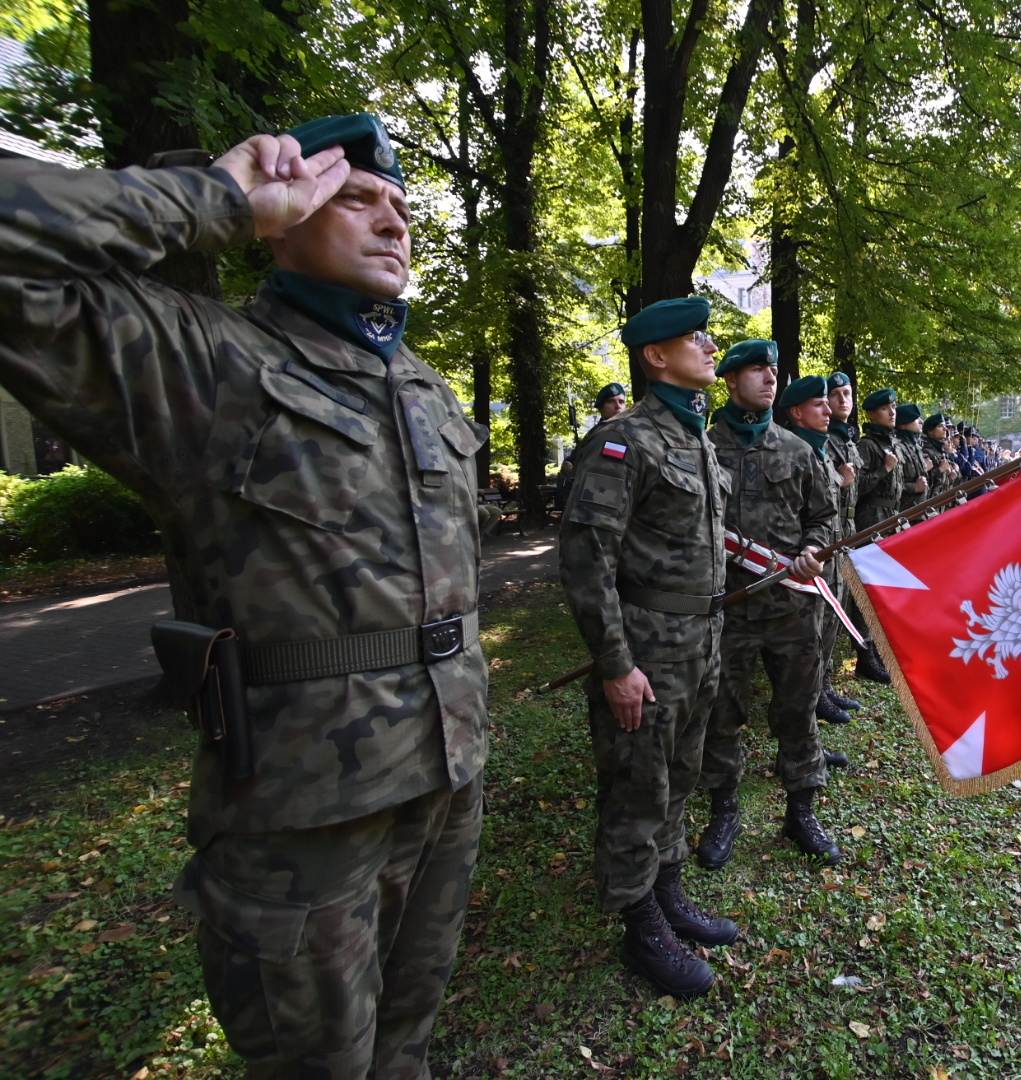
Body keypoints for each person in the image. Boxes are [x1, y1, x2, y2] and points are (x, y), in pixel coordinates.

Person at [0, 115, 488, 1075]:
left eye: (399, 204)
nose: (393, 221)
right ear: (284, 215)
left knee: (408, 1040)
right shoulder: (202, 363)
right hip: (300, 813)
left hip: (446, 772)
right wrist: (215, 199)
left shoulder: (423, 386)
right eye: (356, 197)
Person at [559, 295, 736, 1000]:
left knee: (680, 776)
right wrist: (615, 664)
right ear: (656, 355)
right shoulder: (625, 440)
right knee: (637, 787)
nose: (711, 347)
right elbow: (585, 557)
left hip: (701, 641)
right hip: (647, 648)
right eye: (698, 339)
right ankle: (640, 926)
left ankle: (667, 896)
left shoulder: (696, 435)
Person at [695, 350, 842, 873]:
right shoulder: (703, 448)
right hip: (728, 611)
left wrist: (813, 548)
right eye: (758, 370)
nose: (770, 378)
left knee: (797, 713)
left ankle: (800, 812)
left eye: (774, 371)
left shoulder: (799, 450)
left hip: (791, 610)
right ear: (730, 379)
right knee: (722, 716)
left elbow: (824, 517)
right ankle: (724, 811)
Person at [816, 372, 862, 724]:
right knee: (826, 607)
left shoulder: (848, 440)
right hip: (829, 529)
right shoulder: (822, 440)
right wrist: (840, 480)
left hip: (848, 528)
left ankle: (826, 682)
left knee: (838, 605)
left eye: (848, 394)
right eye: (837, 395)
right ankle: (816, 688)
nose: (844, 400)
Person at [851, 389, 902, 682]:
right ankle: (865, 654)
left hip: (888, 520)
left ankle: (880, 648)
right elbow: (857, 488)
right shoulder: (868, 446)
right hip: (870, 520)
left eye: (893, 407)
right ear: (871, 414)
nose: (892, 412)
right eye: (885, 408)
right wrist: (884, 469)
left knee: (883, 587)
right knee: (867, 589)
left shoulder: (889, 442)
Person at [893, 403, 931, 510]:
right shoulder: (897, 447)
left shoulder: (916, 448)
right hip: (903, 512)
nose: (921, 421)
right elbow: (889, 485)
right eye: (915, 418)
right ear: (903, 424)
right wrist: (914, 487)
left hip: (918, 510)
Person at [921, 414, 961, 496]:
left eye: (945, 426)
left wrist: (951, 476)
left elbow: (944, 484)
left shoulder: (941, 451)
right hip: (931, 503)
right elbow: (924, 482)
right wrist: (940, 470)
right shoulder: (927, 452)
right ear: (930, 431)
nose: (945, 429)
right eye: (940, 426)